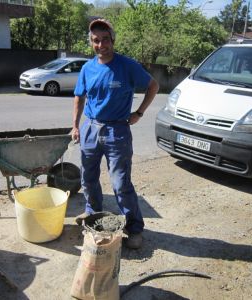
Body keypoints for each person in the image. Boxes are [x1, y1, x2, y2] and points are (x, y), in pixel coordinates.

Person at [72, 19, 159, 249]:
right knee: (88, 179)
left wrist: (139, 112)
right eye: (96, 41)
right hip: (90, 128)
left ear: (113, 40)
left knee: (121, 183)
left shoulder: (127, 66)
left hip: (117, 130)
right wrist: (75, 125)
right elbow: (79, 97)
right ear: (91, 42)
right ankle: (93, 215)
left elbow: (153, 86)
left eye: (105, 40)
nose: (101, 45)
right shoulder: (87, 68)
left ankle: (134, 227)